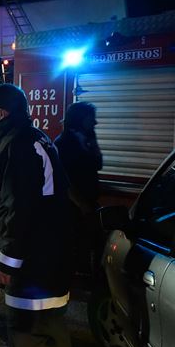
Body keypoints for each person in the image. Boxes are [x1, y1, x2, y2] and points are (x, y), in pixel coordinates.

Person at [0, 84, 81, 347]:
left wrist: (6, 260)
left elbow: (18, 208)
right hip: (53, 258)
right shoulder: (39, 138)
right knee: (53, 329)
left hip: (33, 264)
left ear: (2, 113)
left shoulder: (18, 146)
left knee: (29, 335)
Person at [54, 102, 103, 275]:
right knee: (75, 243)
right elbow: (63, 179)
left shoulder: (86, 140)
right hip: (72, 205)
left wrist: (94, 143)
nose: (95, 123)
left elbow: (98, 164)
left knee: (88, 242)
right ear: (80, 119)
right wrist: (81, 204)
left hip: (87, 201)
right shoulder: (64, 143)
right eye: (92, 119)